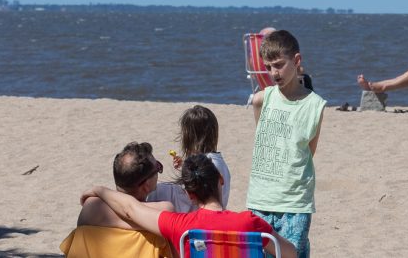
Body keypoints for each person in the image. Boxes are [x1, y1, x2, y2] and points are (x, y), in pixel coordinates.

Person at [81, 154, 297, 258]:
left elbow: (130, 209)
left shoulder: (180, 226)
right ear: (221, 179)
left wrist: (100, 190)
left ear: (190, 194)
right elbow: (289, 253)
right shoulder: (249, 222)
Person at [247, 29, 325, 258]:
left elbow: (309, 151)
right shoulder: (261, 100)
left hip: (294, 203)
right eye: (269, 67)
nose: (274, 72)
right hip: (260, 199)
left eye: (279, 65)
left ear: (297, 61)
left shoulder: (315, 106)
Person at [61, 141, 174, 257]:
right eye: (158, 168)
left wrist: (100, 191)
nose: (159, 171)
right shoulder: (163, 210)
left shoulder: (91, 207)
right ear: (146, 185)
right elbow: (130, 210)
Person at [147, 105, 231, 212]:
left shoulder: (210, 163)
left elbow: (190, 198)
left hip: (200, 216)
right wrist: (186, 167)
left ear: (189, 137)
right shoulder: (216, 160)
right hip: (213, 211)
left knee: (155, 192)